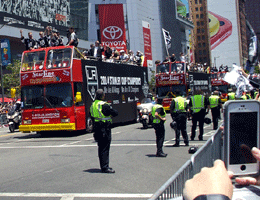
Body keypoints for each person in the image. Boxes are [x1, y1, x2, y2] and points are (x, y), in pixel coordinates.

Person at [90, 89, 118, 173]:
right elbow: (115, 113)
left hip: (97, 128)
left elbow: (91, 115)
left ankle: (103, 166)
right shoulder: (104, 105)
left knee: (101, 148)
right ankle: (105, 167)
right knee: (105, 148)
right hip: (104, 128)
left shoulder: (93, 105)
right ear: (103, 96)